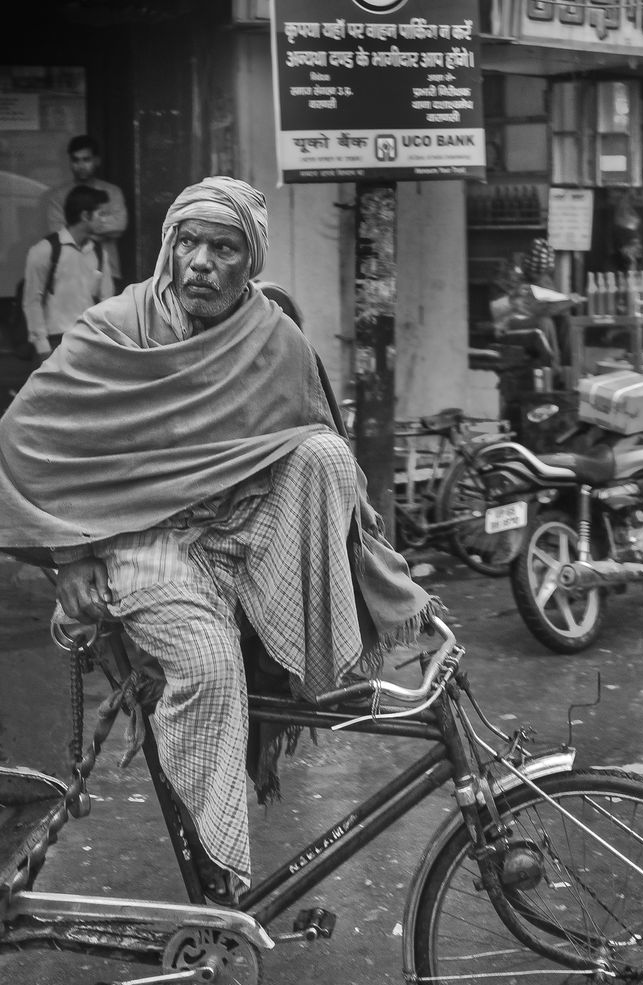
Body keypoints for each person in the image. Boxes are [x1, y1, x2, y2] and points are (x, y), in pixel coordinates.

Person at [0, 176, 440, 906]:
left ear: (250, 263)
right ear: (171, 250)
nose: (203, 261)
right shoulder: (115, 328)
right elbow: (24, 442)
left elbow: (334, 478)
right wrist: (72, 556)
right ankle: (222, 883)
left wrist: (393, 588)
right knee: (207, 668)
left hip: (242, 537)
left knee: (325, 453)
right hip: (142, 543)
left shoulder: (276, 340)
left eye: (224, 248)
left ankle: (317, 653)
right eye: (190, 244)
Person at [23, 184, 114, 361]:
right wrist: (42, 346)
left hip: (90, 341)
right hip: (55, 340)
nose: (104, 220)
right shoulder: (45, 250)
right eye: (100, 214)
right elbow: (32, 300)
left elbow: (107, 301)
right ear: (85, 215)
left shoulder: (99, 253)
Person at [44, 134, 128, 292]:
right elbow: (59, 234)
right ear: (70, 162)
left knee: (106, 316)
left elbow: (119, 225)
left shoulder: (112, 192)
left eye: (86, 160)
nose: (81, 166)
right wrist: (102, 232)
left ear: (97, 161)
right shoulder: (58, 196)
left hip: (108, 271)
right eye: (76, 160)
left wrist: (79, 230)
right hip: (71, 272)